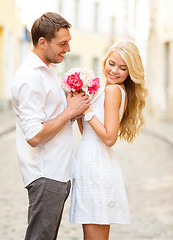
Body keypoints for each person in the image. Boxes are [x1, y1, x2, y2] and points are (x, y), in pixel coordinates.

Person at [11, 12, 90, 240]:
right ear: (42, 42)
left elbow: (54, 117)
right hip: (46, 173)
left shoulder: (47, 72)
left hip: (58, 173)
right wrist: (70, 111)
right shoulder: (30, 77)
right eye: (62, 44)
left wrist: (73, 108)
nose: (67, 50)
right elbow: (34, 135)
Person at [70, 40, 148, 240]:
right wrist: (81, 107)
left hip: (97, 164)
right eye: (111, 63)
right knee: (92, 232)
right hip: (90, 161)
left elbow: (109, 137)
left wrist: (86, 111)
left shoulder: (113, 91)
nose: (115, 71)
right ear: (105, 61)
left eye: (123, 68)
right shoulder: (107, 90)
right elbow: (88, 131)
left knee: (93, 234)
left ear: (130, 72)